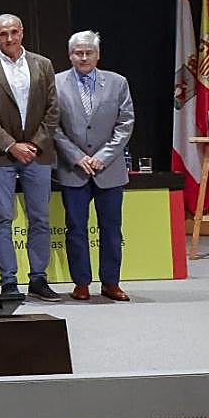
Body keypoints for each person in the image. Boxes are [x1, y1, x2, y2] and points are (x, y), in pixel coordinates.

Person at [0, 14, 61, 301]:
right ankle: (8, 280)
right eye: (2, 34)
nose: (8, 38)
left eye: (13, 32)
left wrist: (32, 144)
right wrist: (11, 146)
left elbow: (53, 109)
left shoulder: (43, 64)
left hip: (38, 153)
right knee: (3, 218)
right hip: (0, 156)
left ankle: (38, 278)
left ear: (22, 32)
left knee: (40, 218)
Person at [53, 31, 135, 301]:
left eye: (89, 52)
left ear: (98, 54)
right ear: (70, 55)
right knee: (76, 228)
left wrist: (104, 156)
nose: (84, 57)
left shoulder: (117, 82)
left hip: (108, 169)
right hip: (73, 169)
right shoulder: (55, 83)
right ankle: (81, 283)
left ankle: (111, 282)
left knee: (111, 228)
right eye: (78, 52)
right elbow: (52, 126)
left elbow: (125, 124)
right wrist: (77, 156)